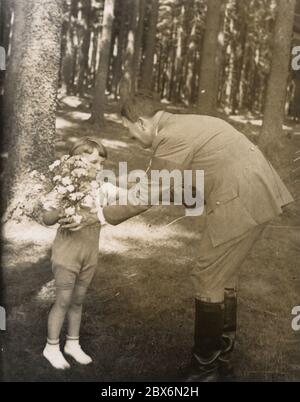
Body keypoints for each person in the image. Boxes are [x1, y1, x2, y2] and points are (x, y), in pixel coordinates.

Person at [60, 92, 294, 381]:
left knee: (208, 278)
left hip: (240, 200)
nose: (130, 137)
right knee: (223, 277)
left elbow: (152, 192)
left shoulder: (171, 137)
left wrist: (99, 215)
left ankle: (204, 369)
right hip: (253, 193)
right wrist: (124, 190)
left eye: (128, 130)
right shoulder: (183, 125)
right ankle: (221, 358)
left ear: (142, 123)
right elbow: (178, 185)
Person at [42, 138, 116, 370]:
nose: (99, 167)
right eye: (94, 162)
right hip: (67, 254)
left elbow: (127, 198)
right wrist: (60, 211)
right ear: (76, 162)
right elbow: (46, 218)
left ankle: (72, 344)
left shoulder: (101, 188)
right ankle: (51, 347)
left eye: (102, 163)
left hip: (89, 253)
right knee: (64, 299)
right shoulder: (64, 188)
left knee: (78, 300)